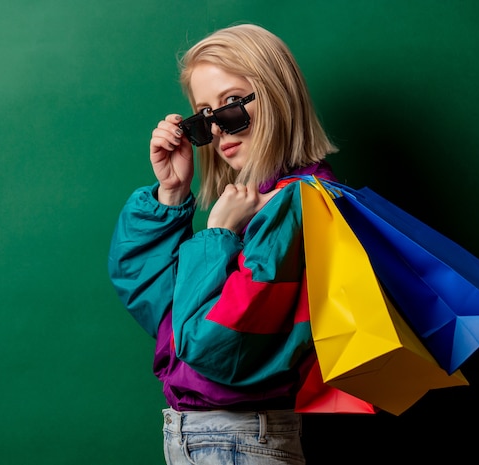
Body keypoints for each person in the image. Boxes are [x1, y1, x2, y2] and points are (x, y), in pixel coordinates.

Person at [108, 23, 338, 465]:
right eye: (203, 116)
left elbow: (210, 346)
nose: (217, 130)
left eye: (233, 104)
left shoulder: (295, 204)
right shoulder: (259, 203)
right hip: (211, 436)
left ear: (277, 95)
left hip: (239, 440)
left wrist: (218, 235)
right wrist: (171, 194)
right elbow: (163, 315)